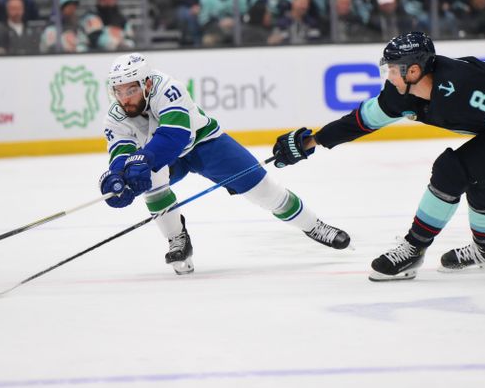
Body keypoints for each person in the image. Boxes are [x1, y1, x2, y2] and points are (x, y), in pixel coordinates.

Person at [271, 31, 485, 281]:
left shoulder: (464, 86)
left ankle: (414, 248)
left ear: (413, 71)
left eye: (391, 70)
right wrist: (311, 142)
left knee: (452, 171)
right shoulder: (400, 94)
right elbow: (361, 120)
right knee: (478, 176)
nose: (388, 77)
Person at [99, 53, 351, 275]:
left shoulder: (167, 88)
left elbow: (173, 136)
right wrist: (120, 178)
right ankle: (177, 238)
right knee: (146, 180)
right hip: (166, 157)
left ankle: (313, 225)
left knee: (265, 191)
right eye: (118, 91)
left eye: (130, 90)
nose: (124, 98)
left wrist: (142, 159)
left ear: (147, 84)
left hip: (204, 144)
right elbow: (120, 152)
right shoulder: (115, 117)